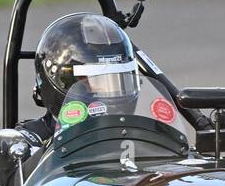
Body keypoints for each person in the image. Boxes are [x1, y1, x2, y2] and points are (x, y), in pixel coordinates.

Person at [15, 12, 141, 148]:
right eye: (99, 82)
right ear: (69, 82)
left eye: (118, 81)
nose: (112, 93)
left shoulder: (140, 137)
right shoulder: (28, 142)